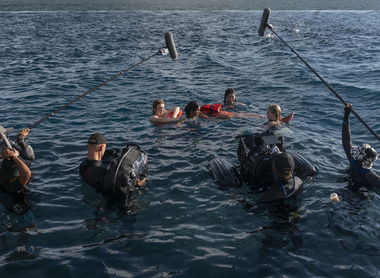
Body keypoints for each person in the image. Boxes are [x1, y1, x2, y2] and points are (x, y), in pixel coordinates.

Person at [79, 133, 147, 196]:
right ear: (102, 147)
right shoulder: (103, 172)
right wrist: (139, 183)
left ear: (88, 146)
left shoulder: (82, 166)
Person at [342, 103, 380, 189]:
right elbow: (346, 139)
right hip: (348, 182)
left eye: (355, 156)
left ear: (359, 161)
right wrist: (346, 116)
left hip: (360, 193)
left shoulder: (372, 177)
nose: (353, 155)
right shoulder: (354, 160)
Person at [0, 125, 34, 193]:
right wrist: (2, 155)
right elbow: (26, 174)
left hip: (22, 179)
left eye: (6, 135)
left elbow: (30, 158)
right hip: (8, 183)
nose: (5, 139)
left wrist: (21, 140)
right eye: (1, 137)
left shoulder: (9, 144)